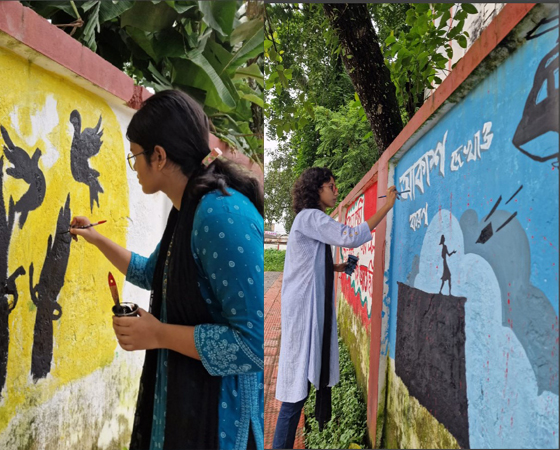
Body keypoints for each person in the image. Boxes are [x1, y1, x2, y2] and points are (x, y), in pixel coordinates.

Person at [69, 90, 264, 450]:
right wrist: (96, 239)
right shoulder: (186, 208)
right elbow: (152, 272)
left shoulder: (221, 215)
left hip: (217, 417)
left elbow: (248, 346)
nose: (135, 168)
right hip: (178, 398)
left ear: (158, 156)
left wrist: (157, 334)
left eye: (135, 157)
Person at [271, 167, 397, 449]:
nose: (335, 191)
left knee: (298, 390)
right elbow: (351, 236)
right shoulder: (311, 217)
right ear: (317, 189)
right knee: (294, 396)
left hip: (303, 309)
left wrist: (337, 266)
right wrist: (387, 206)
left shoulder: (307, 220)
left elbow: (308, 262)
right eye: (331, 185)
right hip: (304, 312)